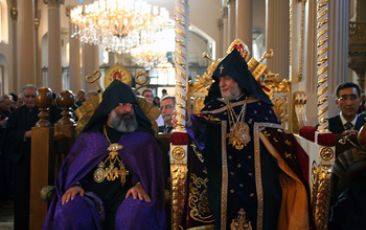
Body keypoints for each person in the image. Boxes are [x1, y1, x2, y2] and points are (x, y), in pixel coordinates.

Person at [190, 48, 310, 229]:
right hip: (223, 177)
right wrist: (187, 121)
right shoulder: (213, 108)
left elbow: (276, 145)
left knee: (269, 195)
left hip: (259, 176)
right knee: (219, 198)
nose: (221, 84)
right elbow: (200, 136)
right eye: (219, 80)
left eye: (227, 79)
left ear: (239, 79)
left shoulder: (261, 108)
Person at [43, 80, 166, 230]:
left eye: (131, 105)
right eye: (122, 105)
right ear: (108, 109)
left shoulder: (143, 140)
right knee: (71, 209)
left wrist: (141, 185)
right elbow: (72, 169)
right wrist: (75, 184)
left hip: (127, 197)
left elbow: (153, 173)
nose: (128, 110)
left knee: (137, 212)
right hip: (91, 197)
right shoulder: (89, 139)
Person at [328, 82, 366, 155]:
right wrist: (339, 138)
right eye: (344, 98)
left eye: (353, 98)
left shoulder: (364, 124)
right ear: (337, 102)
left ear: (361, 100)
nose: (349, 103)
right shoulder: (326, 126)